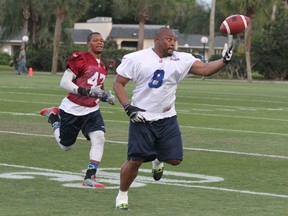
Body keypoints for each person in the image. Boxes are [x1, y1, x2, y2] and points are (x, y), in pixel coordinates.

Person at [113, 27, 233, 210]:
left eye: (174, 39)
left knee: (175, 160)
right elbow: (118, 83)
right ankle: (122, 195)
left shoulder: (181, 59)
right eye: (168, 39)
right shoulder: (137, 58)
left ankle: (157, 160)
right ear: (157, 40)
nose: (172, 43)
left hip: (167, 117)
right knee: (135, 161)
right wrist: (128, 107)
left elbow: (206, 69)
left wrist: (224, 60)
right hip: (142, 117)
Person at [40, 32, 115, 188]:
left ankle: (89, 177)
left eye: (101, 40)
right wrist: (86, 92)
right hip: (73, 108)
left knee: (99, 138)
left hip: (92, 110)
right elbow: (64, 82)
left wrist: (105, 97)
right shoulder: (80, 58)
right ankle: (54, 117)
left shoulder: (102, 66)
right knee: (65, 146)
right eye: (95, 40)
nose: (100, 42)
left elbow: (98, 88)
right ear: (88, 44)